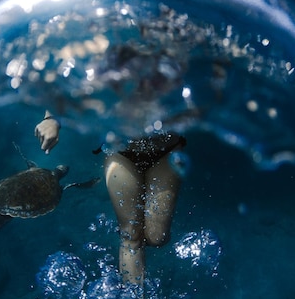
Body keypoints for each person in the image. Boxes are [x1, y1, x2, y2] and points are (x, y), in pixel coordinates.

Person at [34, 111, 186, 285]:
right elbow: (70, 89)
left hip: (166, 152)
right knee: (131, 236)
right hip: (121, 153)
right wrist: (52, 120)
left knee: (157, 238)